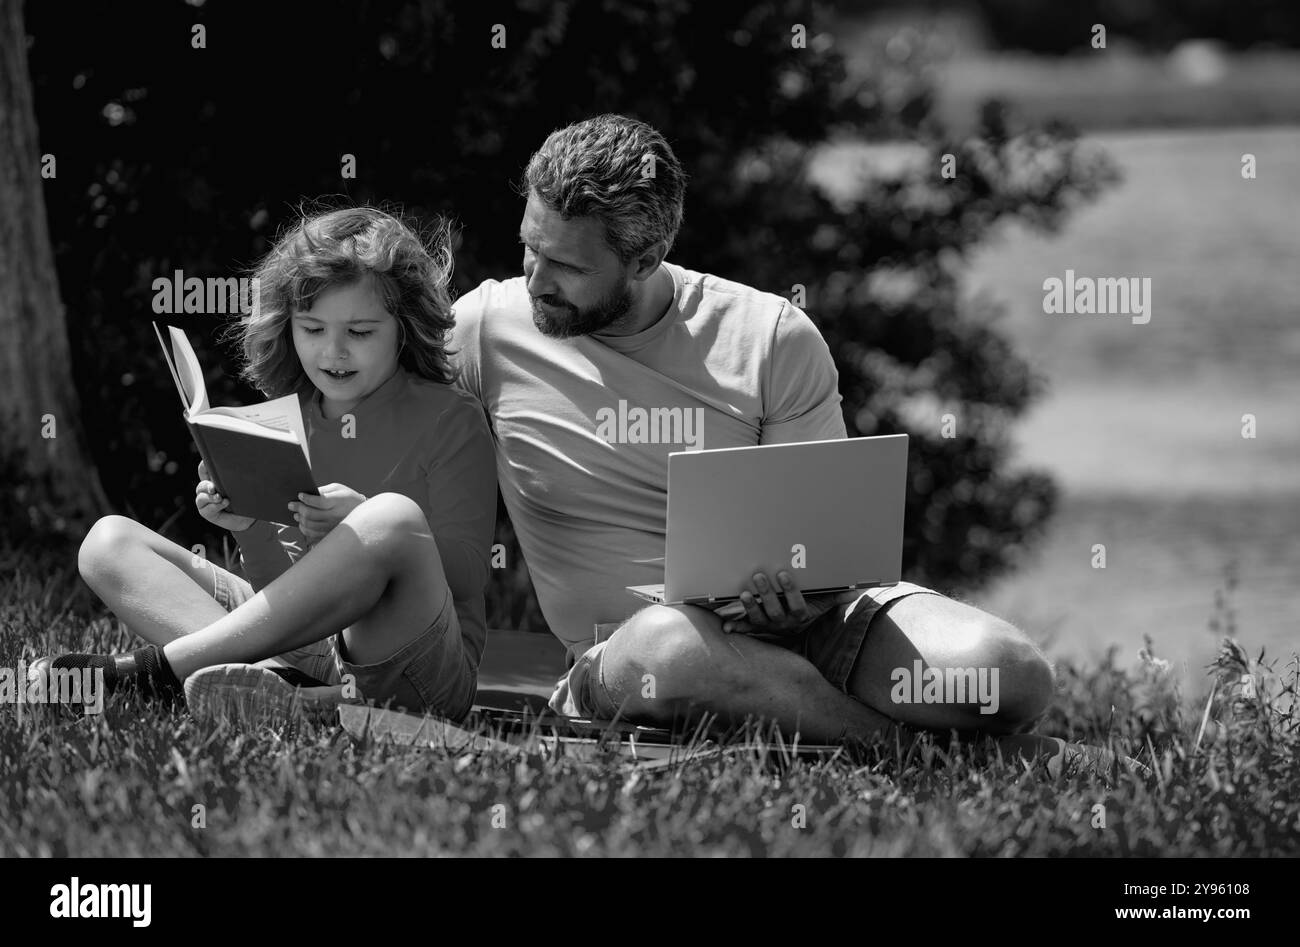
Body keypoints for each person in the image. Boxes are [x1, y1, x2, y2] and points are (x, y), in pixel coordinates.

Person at [449, 113, 1131, 775]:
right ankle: (937, 756)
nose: (536, 280)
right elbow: (375, 421)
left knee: (1007, 676)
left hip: (809, 630)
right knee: (673, 649)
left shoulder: (769, 336)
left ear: (647, 258)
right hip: (636, 653)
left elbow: (826, 552)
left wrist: (805, 597)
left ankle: (837, 715)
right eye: (530, 248)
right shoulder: (487, 328)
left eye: (565, 265)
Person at [31, 206, 496, 723]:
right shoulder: (284, 421)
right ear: (288, 325)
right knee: (108, 542)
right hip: (305, 646)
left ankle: (160, 673)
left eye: (360, 332)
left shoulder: (452, 417)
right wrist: (249, 528)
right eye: (312, 328)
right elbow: (283, 597)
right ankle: (276, 688)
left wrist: (361, 526)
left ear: (402, 329)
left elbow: (469, 575)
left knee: (390, 519)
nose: (334, 351)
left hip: (417, 665)